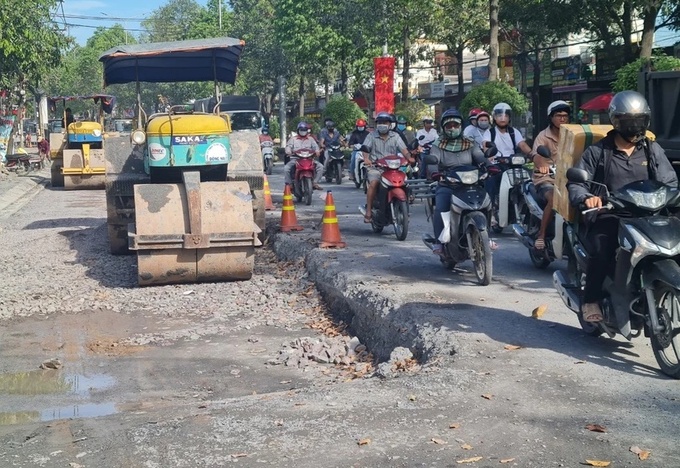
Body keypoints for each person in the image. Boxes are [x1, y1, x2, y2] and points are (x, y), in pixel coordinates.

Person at [567, 90, 678, 322]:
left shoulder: (651, 149)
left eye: (639, 121)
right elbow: (577, 184)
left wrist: (671, 195)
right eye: (629, 122)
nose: (635, 127)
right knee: (602, 250)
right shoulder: (598, 151)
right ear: (616, 122)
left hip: (648, 214)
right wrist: (588, 197)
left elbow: (669, 180)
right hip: (611, 214)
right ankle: (591, 300)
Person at [428, 109, 489, 255]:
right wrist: (435, 173)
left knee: (487, 202)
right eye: (449, 126)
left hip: (471, 183)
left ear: (461, 126)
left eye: (456, 125)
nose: (452, 128)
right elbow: (432, 161)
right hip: (448, 183)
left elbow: (480, 157)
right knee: (441, 207)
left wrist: (489, 165)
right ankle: (439, 242)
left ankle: (488, 237)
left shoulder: (470, 143)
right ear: (443, 127)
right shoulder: (438, 144)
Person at [482, 102, 533, 225]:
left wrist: (533, 154)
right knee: (491, 181)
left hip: (513, 163)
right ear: (494, 118)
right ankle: (490, 211)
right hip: (496, 163)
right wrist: (489, 153)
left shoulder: (514, 132)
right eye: (499, 115)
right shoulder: (490, 132)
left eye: (505, 115)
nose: (502, 118)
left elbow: (522, 145)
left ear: (509, 117)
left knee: (530, 180)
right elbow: (485, 145)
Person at [531, 100, 571, 250]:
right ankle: (541, 235)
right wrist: (542, 165)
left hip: (568, 178)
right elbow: (536, 154)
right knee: (555, 199)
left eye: (565, 116)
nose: (562, 119)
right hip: (547, 179)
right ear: (551, 117)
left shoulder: (572, 134)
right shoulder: (543, 136)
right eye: (558, 115)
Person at [362, 112, 415, 222]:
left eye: (385, 122)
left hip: (393, 168)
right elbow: (365, 149)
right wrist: (366, 159)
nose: (382, 124)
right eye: (380, 122)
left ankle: (405, 209)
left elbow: (404, 150)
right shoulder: (371, 135)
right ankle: (368, 211)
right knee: (374, 183)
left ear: (390, 124)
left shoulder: (395, 136)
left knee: (405, 182)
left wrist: (409, 158)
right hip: (376, 167)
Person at [284, 121, 324, 190]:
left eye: (304, 130)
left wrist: (317, 151)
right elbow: (288, 146)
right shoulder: (293, 139)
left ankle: (315, 182)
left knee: (320, 167)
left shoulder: (311, 139)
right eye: (301, 130)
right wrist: (288, 151)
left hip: (309, 159)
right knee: (286, 168)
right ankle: (290, 184)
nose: (303, 131)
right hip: (296, 159)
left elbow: (315, 146)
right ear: (298, 130)